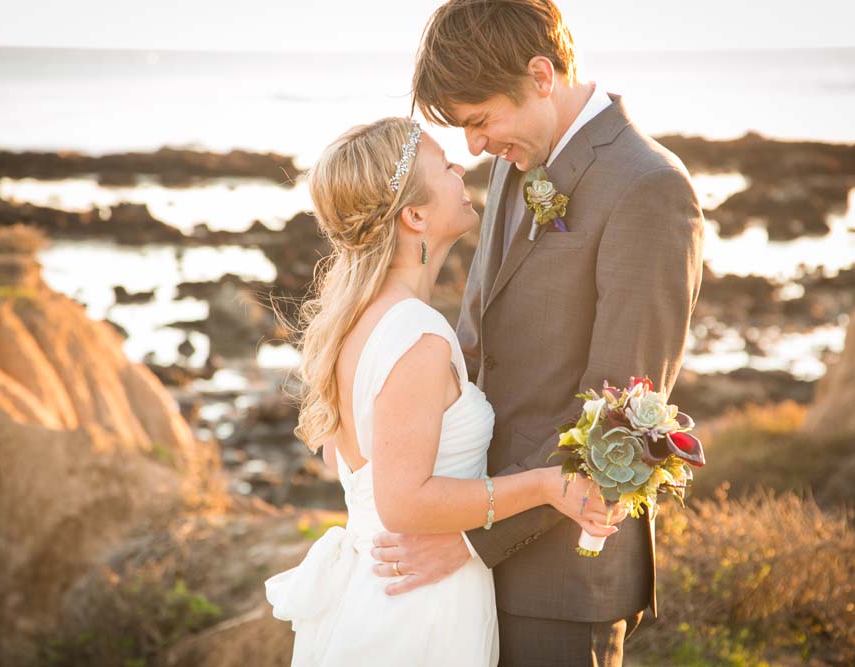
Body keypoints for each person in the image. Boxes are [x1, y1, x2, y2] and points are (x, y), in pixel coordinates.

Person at [369, 1, 705, 665]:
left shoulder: (650, 189)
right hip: (467, 546)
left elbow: (620, 418)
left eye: (480, 120)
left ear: (542, 75)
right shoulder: (515, 161)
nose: (473, 147)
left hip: (561, 581)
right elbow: (474, 345)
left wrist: (472, 539)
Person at [264, 117, 622, 666]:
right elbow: (403, 502)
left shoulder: (352, 321)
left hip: (380, 587)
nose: (462, 167)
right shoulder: (416, 335)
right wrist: (545, 484)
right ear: (414, 215)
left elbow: (350, 463)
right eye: (445, 165)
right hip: (416, 609)